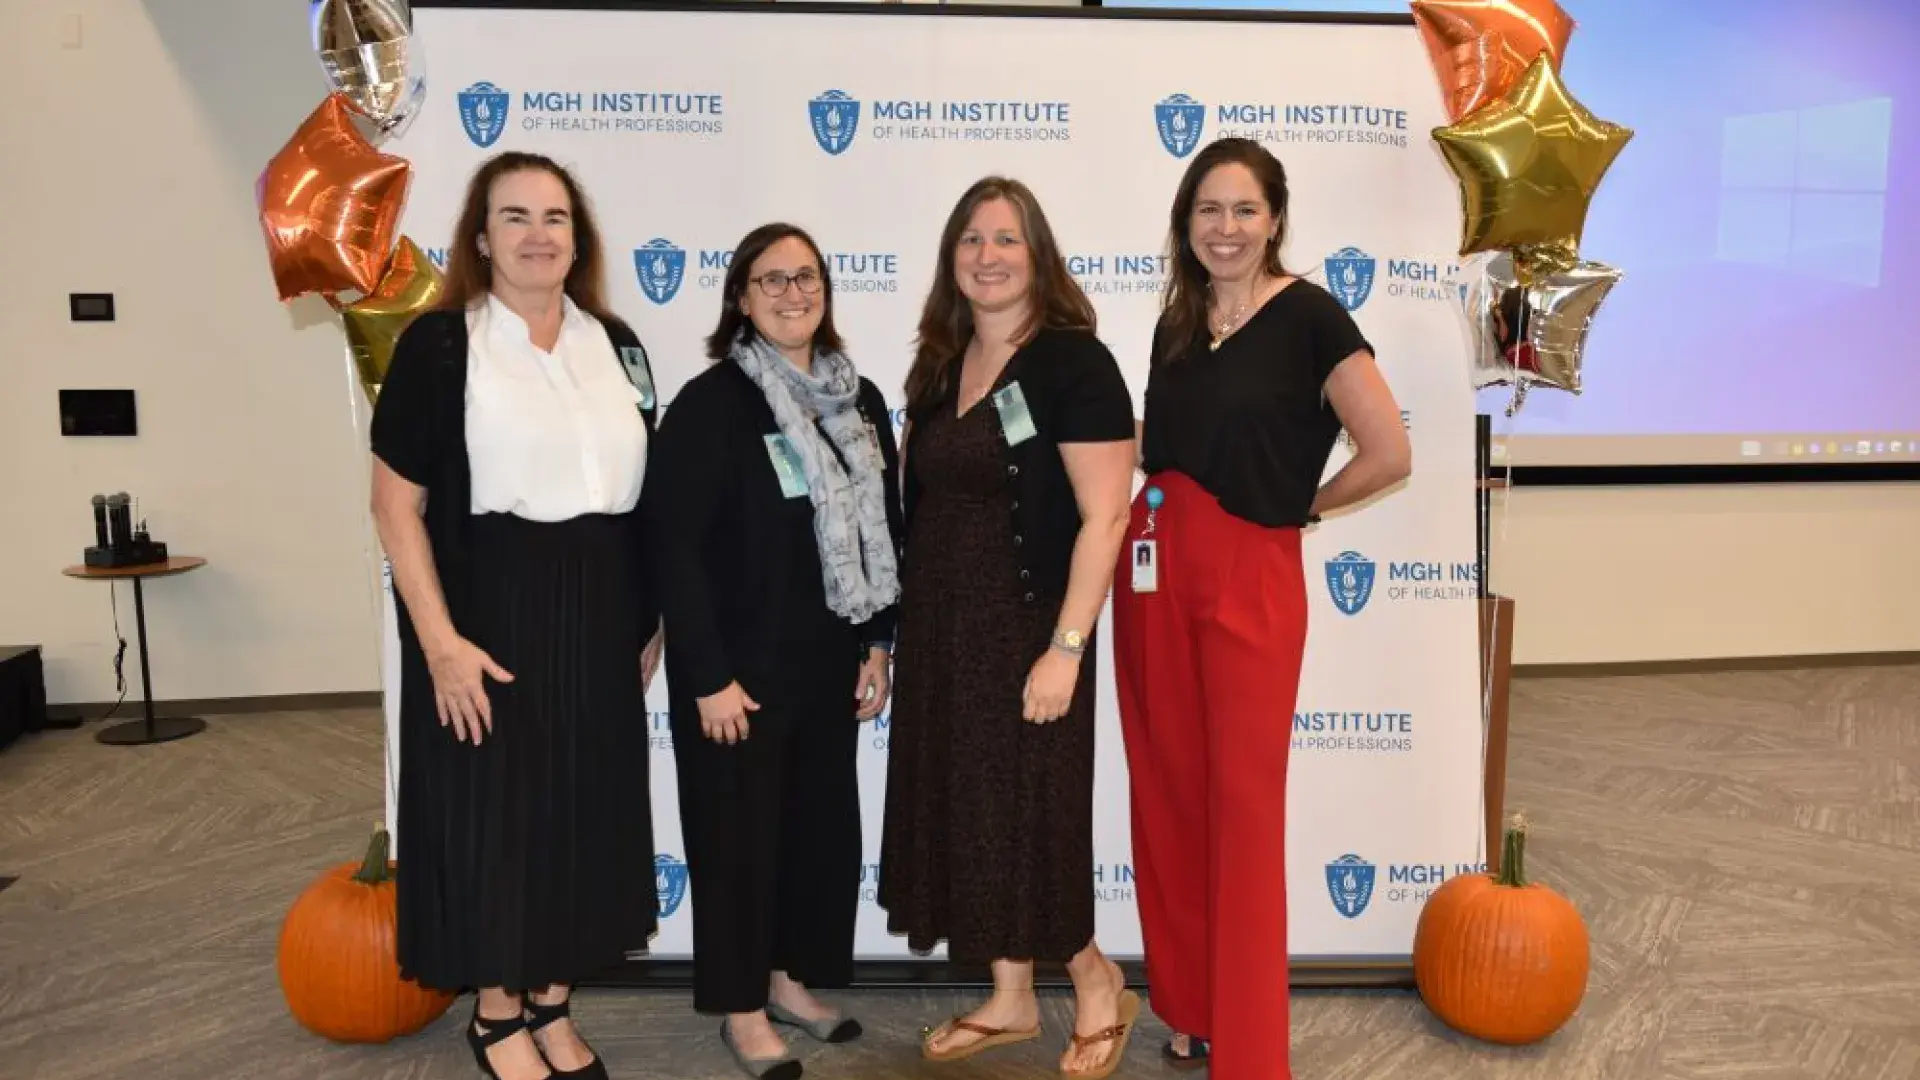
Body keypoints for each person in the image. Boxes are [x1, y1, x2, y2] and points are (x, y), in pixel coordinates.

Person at [1113, 137, 1412, 1080]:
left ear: (1275, 217)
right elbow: (1152, 446)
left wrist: (1301, 507)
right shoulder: (1175, 322)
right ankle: (1194, 1010)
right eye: (1208, 210)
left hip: (1250, 577)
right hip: (1154, 569)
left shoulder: (1315, 317)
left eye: (1244, 210)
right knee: (1169, 795)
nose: (1226, 228)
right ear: (1185, 222)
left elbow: (1389, 451)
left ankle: (1250, 1047)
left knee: (1241, 812)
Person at [369, 150, 663, 1080]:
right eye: (517, 217)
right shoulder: (441, 345)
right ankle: (497, 1013)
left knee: (581, 811)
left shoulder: (615, 344)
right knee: (498, 817)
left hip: (604, 610)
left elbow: (641, 496)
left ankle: (553, 1002)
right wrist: (441, 643)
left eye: (556, 218)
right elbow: (393, 505)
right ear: (482, 238)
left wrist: (649, 619)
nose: (539, 235)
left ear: (579, 241)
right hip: (487, 615)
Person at [877, 177, 1139, 1078]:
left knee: (1034, 818)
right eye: (971, 239)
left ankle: (1097, 981)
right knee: (972, 815)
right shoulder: (941, 365)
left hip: (1031, 631)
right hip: (945, 632)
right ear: (953, 258)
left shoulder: (1075, 364)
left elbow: (1106, 517)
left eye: (1007, 240)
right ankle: (1012, 996)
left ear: (1040, 258)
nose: (987, 256)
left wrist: (1065, 650)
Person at [642, 223, 901, 1080]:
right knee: (737, 841)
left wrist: (876, 643)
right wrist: (707, 676)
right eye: (771, 280)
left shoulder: (858, 402)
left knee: (816, 835)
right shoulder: (712, 404)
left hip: (827, 666)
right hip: (736, 674)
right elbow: (672, 547)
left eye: (807, 278)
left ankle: (791, 981)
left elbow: (883, 533)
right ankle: (742, 1009)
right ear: (741, 299)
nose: (793, 294)